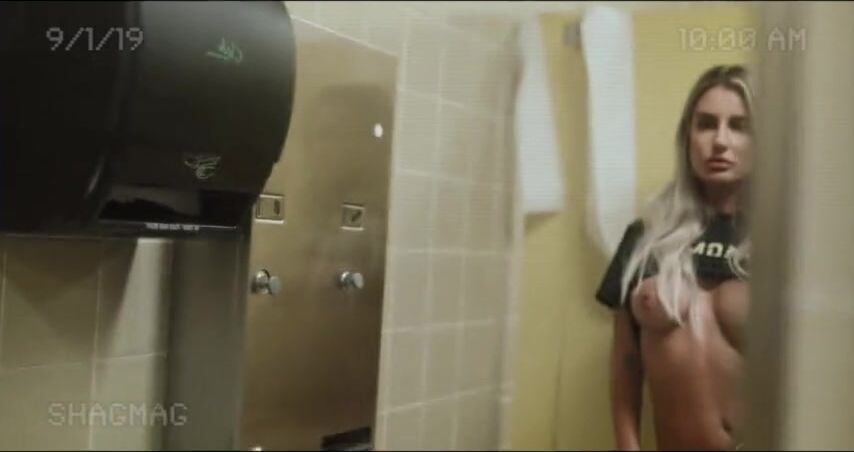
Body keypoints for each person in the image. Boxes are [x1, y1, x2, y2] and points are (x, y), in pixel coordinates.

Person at [595, 64, 754, 451]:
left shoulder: (784, 244)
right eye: (706, 124)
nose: (720, 141)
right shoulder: (646, 238)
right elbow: (626, 362)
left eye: (739, 126)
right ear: (687, 137)